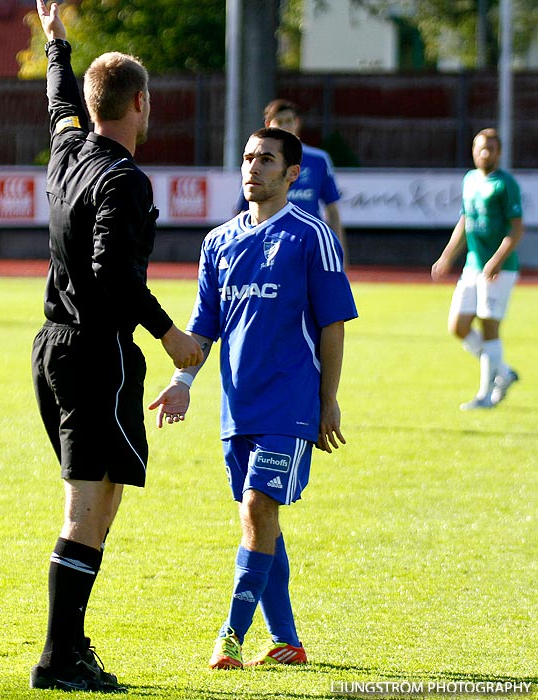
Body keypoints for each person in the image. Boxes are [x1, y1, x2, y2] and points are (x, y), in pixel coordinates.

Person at [29, 1, 203, 692]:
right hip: (95, 351)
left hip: (55, 346)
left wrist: (57, 46)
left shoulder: (69, 149)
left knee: (102, 499)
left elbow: (56, 104)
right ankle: (57, 657)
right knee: (87, 506)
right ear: (141, 102)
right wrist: (172, 336)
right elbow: (112, 272)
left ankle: (68, 646)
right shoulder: (125, 178)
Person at [149, 127, 358, 668]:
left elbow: (333, 324)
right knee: (259, 521)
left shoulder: (313, 236)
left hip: (291, 404)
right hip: (236, 407)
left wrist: (327, 399)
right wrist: (183, 381)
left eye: (266, 159)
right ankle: (287, 640)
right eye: (247, 158)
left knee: (257, 506)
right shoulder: (217, 242)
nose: (253, 167)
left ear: (292, 174)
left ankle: (230, 635)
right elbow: (204, 327)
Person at [431, 127, 523, 410]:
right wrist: (448, 255)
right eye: (480, 148)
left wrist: (496, 261)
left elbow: (517, 230)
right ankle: (504, 373)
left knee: (489, 327)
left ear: (499, 153)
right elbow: (465, 221)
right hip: (472, 266)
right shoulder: (470, 179)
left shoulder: (506, 184)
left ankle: (485, 396)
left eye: (491, 149)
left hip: (499, 269)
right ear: (473, 150)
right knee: (458, 326)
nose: (485, 153)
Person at [236, 98, 348, 265]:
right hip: (269, 243)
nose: (285, 126)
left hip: (308, 243)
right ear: (269, 124)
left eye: (289, 121)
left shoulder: (319, 160)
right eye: (279, 122)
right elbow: (244, 210)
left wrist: (339, 249)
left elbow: (332, 209)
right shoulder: (259, 162)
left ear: (297, 123)